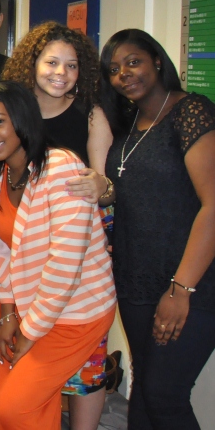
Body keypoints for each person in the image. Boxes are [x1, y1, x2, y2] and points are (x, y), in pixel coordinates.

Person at [0, 81, 117, 429]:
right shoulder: (4, 172)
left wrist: (28, 333)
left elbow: (65, 264)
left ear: (22, 119)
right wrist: (7, 314)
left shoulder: (61, 168)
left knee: (15, 408)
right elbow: (1, 252)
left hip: (73, 313)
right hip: (22, 303)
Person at [99, 29, 215, 430]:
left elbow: (213, 205)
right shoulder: (129, 122)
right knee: (145, 391)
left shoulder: (191, 112)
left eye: (134, 62)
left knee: (165, 394)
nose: (124, 74)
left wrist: (180, 289)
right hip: (135, 281)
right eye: (115, 69)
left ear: (158, 61)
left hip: (190, 281)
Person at [3, 21, 115, 429]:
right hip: (23, 247)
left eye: (71, 66)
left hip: (76, 255)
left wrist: (102, 186)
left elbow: (103, 186)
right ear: (32, 63)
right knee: (34, 363)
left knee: (86, 366)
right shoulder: (15, 112)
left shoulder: (91, 115)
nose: (60, 73)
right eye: (51, 62)